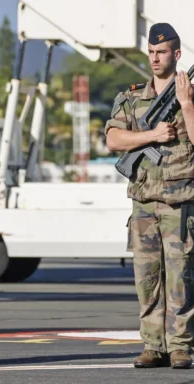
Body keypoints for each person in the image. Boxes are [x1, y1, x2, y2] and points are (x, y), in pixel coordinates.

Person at [105, 23, 194, 369]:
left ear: (177, 55)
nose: (155, 58)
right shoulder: (130, 97)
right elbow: (114, 140)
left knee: (181, 277)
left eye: (162, 52)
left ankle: (181, 345)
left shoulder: (190, 94)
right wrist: (151, 135)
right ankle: (152, 345)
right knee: (147, 278)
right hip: (143, 204)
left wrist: (186, 105)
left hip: (179, 202)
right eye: (151, 52)